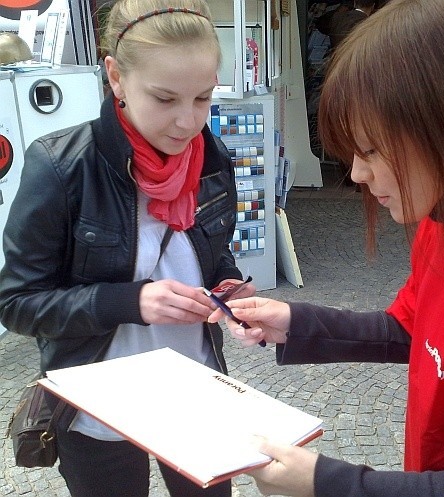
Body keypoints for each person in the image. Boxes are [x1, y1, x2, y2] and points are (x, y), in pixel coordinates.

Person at [209, 0, 444, 496]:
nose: (356, 173)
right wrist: (296, 323)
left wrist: (322, 482)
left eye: (372, 149)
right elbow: (413, 330)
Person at [0, 0, 255, 495]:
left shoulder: (211, 157)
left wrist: (228, 285)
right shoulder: (61, 167)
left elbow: (210, 248)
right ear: (116, 77)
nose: (187, 123)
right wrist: (130, 301)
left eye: (203, 98)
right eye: (165, 99)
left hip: (195, 389)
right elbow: (17, 303)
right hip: (99, 403)